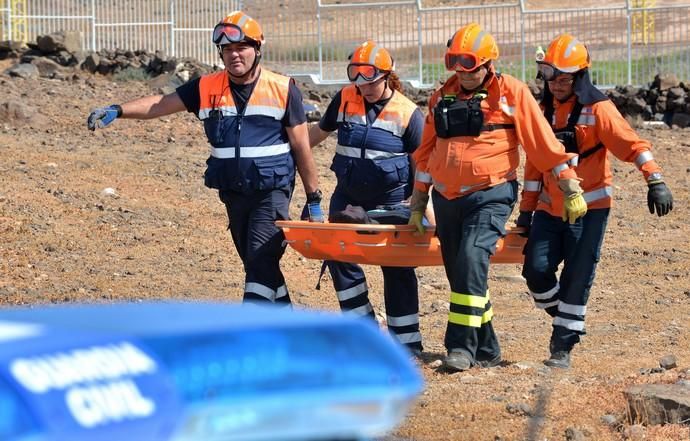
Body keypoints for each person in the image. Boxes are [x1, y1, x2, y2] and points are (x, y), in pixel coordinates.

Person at [86, 11, 324, 306]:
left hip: (271, 193)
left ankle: (248, 340)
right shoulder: (206, 87)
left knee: (260, 264)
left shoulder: (282, 89)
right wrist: (119, 110)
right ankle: (293, 332)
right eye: (227, 50)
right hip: (234, 195)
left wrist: (313, 198)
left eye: (241, 48)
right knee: (258, 267)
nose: (234, 55)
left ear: (257, 49)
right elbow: (160, 104)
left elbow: (301, 145)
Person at [408, 23, 589, 372]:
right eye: (456, 64)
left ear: (488, 63)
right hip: (447, 199)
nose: (464, 73)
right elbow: (425, 155)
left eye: (470, 65)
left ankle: (459, 347)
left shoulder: (512, 93)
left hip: (491, 194)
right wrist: (418, 203)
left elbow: (542, 145)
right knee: (461, 274)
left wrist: (569, 186)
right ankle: (487, 348)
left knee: (473, 258)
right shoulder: (440, 98)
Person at [518, 34, 674, 368]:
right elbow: (534, 165)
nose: (556, 85)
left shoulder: (598, 109)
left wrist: (655, 179)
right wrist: (526, 212)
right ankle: (566, 315)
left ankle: (562, 347)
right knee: (536, 270)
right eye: (550, 77)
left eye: (563, 79)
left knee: (578, 274)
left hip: (590, 211)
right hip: (548, 209)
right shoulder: (542, 111)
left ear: (579, 77)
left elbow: (632, 144)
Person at [308, 41, 425, 356]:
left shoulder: (408, 113)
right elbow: (316, 135)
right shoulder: (345, 99)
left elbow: (424, 165)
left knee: (397, 269)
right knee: (340, 259)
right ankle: (364, 333)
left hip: (391, 201)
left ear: (387, 75)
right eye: (357, 79)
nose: (363, 86)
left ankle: (408, 344)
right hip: (346, 197)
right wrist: (286, 148)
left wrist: (418, 207)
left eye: (371, 79)